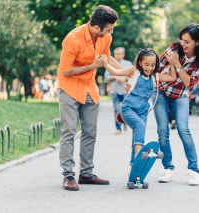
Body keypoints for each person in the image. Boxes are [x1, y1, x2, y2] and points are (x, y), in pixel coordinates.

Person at [57, 5, 122, 191]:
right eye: (109, 29)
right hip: (69, 87)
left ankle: (86, 173)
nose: (111, 32)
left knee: (90, 132)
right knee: (69, 131)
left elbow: (108, 59)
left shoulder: (105, 37)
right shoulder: (73, 39)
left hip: (89, 87)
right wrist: (93, 65)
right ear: (96, 27)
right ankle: (68, 175)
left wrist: (126, 73)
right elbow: (66, 70)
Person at [152, 23, 199, 186]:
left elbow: (189, 84)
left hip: (181, 95)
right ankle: (167, 168)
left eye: (187, 42)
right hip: (162, 91)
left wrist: (177, 65)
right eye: (181, 40)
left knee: (183, 129)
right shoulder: (173, 50)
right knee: (163, 130)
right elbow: (154, 70)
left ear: (197, 42)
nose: (182, 44)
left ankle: (194, 170)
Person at [102, 47, 177, 168]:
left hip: (143, 111)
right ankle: (139, 155)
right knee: (140, 126)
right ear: (140, 63)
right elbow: (116, 72)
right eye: (146, 64)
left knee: (137, 135)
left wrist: (173, 63)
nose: (149, 68)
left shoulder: (155, 76)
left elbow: (172, 77)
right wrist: (104, 63)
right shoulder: (134, 71)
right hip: (128, 108)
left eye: (153, 65)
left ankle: (133, 165)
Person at [104, 47, 133, 135]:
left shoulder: (128, 64)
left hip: (125, 91)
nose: (117, 55)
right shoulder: (110, 64)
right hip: (115, 91)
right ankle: (118, 129)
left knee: (125, 110)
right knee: (116, 110)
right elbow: (106, 77)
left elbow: (132, 76)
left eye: (119, 54)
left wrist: (124, 79)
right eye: (116, 54)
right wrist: (115, 77)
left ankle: (124, 122)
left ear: (123, 54)